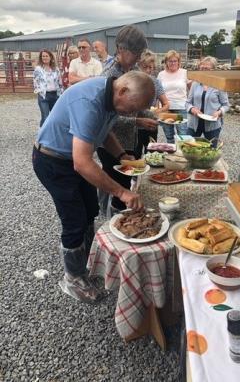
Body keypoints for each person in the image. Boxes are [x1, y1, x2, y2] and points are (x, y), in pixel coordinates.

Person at [32, 71, 155, 304]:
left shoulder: (111, 98)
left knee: (90, 210)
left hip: (71, 159)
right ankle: (73, 278)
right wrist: (121, 192)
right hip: (52, 161)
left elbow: (104, 131)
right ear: (123, 91)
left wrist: (121, 155)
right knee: (74, 219)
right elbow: (82, 162)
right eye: (132, 108)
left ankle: (86, 264)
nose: (131, 114)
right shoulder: (90, 101)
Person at [99, 25, 158, 214]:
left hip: (128, 140)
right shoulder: (110, 75)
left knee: (123, 179)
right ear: (121, 50)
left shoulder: (130, 70)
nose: (139, 58)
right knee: (116, 181)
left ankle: (114, 212)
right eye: (136, 53)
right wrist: (137, 122)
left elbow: (135, 108)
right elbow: (105, 119)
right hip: (111, 142)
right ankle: (112, 217)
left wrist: (154, 115)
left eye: (140, 54)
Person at [186, 56, 230, 145]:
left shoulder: (219, 85)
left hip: (212, 125)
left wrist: (219, 112)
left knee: (211, 151)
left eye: (206, 68)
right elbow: (187, 103)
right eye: (202, 68)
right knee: (189, 148)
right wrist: (192, 109)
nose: (203, 70)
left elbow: (226, 105)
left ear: (213, 70)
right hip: (194, 123)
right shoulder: (195, 84)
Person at [136, 49, 169, 154]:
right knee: (134, 155)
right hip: (135, 124)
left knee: (151, 155)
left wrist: (155, 112)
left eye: (151, 67)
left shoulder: (155, 82)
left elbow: (166, 104)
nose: (148, 70)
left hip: (151, 125)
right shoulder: (132, 81)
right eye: (145, 67)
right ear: (139, 66)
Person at [157, 50, 189, 143]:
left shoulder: (184, 73)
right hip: (166, 108)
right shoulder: (161, 74)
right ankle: (171, 156)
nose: (173, 63)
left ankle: (181, 156)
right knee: (169, 136)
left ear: (179, 62)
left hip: (181, 108)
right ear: (166, 62)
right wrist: (158, 109)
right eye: (170, 61)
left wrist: (191, 105)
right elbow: (158, 92)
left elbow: (192, 90)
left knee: (182, 136)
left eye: (175, 61)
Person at [33, 50, 63, 126]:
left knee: (55, 117)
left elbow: (60, 81)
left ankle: (53, 134)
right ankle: (42, 134)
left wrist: (61, 93)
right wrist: (39, 91)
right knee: (45, 117)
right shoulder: (38, 69)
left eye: (46, 56)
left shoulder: (56, 69)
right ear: (41, 57)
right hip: (44, 96)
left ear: (50, 57)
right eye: (43, 56)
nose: (45, 57)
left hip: (55, 95)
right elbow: (35, 82)